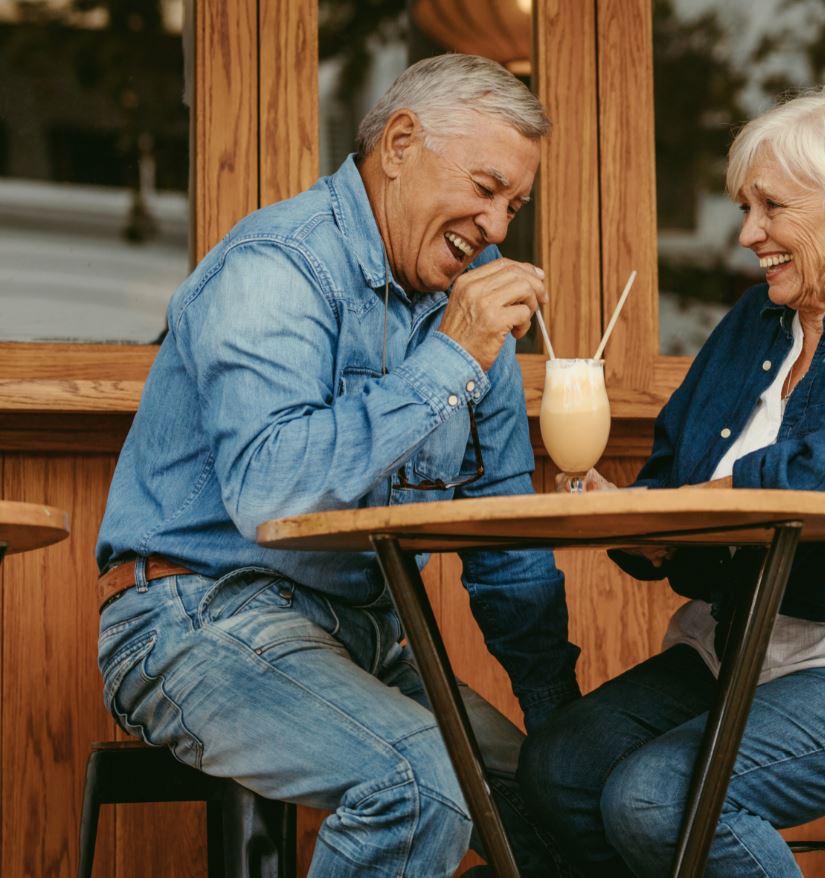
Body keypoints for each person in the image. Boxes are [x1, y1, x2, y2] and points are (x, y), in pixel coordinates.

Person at [95, 55, 578, 877]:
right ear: (398, 143)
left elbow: (502, 535)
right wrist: (451, 355)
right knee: (421, 783)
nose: (497, 227)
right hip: (189, 617)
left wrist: (562, 727)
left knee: (564, 810)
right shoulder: (276, 267)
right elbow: (272, 491)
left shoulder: (471, 304)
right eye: (486, 188)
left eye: (514, 205)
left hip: (363, 640)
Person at [517, 80, 825, 877]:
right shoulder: (752, 325)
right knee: (561, 768)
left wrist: (676, 508)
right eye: (745, 207)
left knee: (657, 798)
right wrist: (638, 524)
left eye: (771, 207)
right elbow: (673, 476)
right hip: (739, 650)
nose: (748, 233)